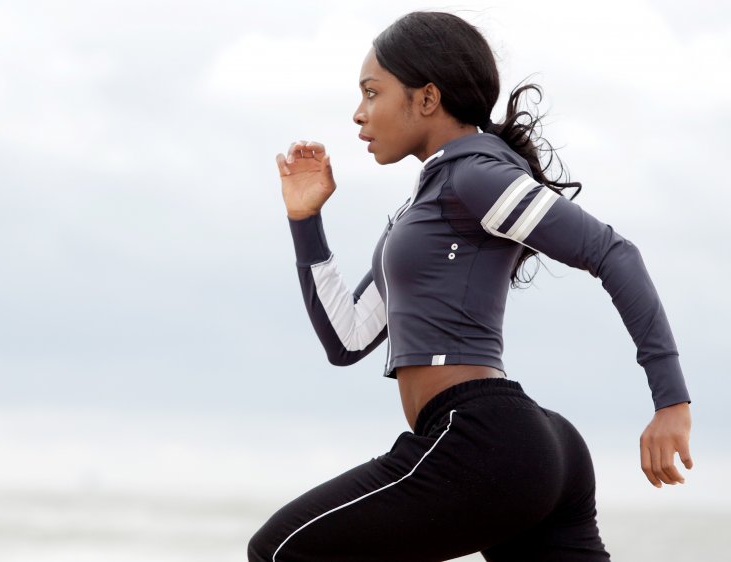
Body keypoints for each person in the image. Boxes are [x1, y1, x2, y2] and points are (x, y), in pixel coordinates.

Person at [249, 10, 692, 562]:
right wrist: (305, 220)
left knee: (280, 550)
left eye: (372, 92)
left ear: (427, 98)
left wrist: (670, 400)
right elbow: (346, 339)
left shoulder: (475, 175)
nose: (359, 114)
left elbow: (612, 253)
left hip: (480, 438)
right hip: (519, 446)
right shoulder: (427, 203)